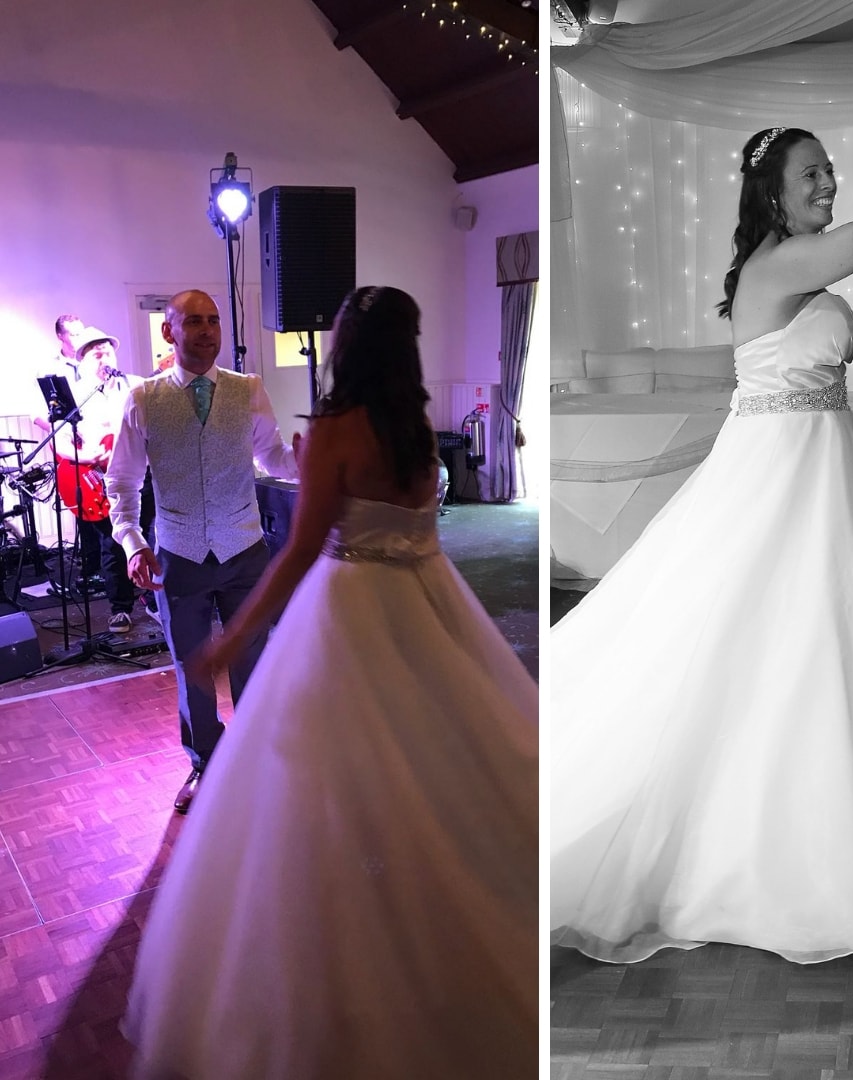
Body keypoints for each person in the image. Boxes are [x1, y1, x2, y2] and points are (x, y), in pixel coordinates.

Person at [548, 107, 853, 966]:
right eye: (812, 174)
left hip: (827, 473)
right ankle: (795, 861)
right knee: (767, 647)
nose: (829, 182)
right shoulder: (777, 266)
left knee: (834, 651)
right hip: (779, 476)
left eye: (829, 168)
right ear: (773, 194)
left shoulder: (791, 266)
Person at [120, 285, 537, 1080]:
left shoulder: (335, 431)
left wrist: (235, 638)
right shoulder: (415, 431)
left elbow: (303, 550)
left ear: (346, 348)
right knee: (427, 757)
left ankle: (348, 926)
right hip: (424, 607)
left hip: (348, 614)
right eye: (195, 319)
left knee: (326, 772)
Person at [102, 290, 299, 813]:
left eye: (213, 320)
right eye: (194, 321)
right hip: (178, 554)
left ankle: (256, 761)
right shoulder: (144, 398)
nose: (208, 330)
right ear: (169, 332)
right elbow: (121, 481)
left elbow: (271, 456)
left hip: (244, 548)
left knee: (252, 660)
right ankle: (205, 766)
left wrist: (304, 460)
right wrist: (133, 542)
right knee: (192, 668)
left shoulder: (248, 389)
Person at [45, 326, 138, 631]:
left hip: (140, 475)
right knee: (113, 544)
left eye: (108, 351)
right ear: (82, 360)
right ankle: (121, 608)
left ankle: (156, 601)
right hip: (97, 478)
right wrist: (89, 458)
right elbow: (59, 440)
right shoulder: (74, 395)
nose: (104, 357)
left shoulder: (136, 387)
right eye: (96, 354)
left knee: (152, 535)